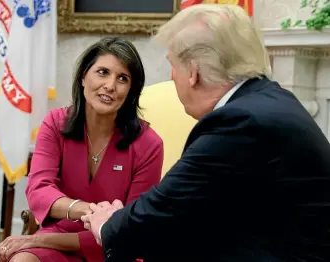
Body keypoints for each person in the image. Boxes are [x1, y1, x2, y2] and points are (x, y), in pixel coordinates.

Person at [82, 4, 330, 262]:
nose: (173, 77)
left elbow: (163, 209)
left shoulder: (241, 123)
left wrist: (106, 224)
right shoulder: (268, 100)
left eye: (174, 67)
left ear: (193, 73)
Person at [0, 36, 164, 262]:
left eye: (122, 78)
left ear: (131, 90)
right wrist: (92, 213)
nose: (110, 86)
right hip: (59, 239)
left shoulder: (149, 144)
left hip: (114, 248)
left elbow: (131, 227)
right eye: (103, 72)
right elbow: (39, 191)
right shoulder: (55, 123)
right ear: (84, 77)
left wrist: (38, 239)